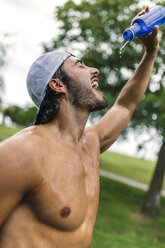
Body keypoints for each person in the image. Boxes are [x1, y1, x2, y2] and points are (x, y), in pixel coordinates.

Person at [0, 6, 159, 248]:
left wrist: (150, 51)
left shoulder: (90, 143)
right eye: (80, 65)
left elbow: (126, 105)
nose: (94, 70)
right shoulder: (23, 153)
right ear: (57, 84)